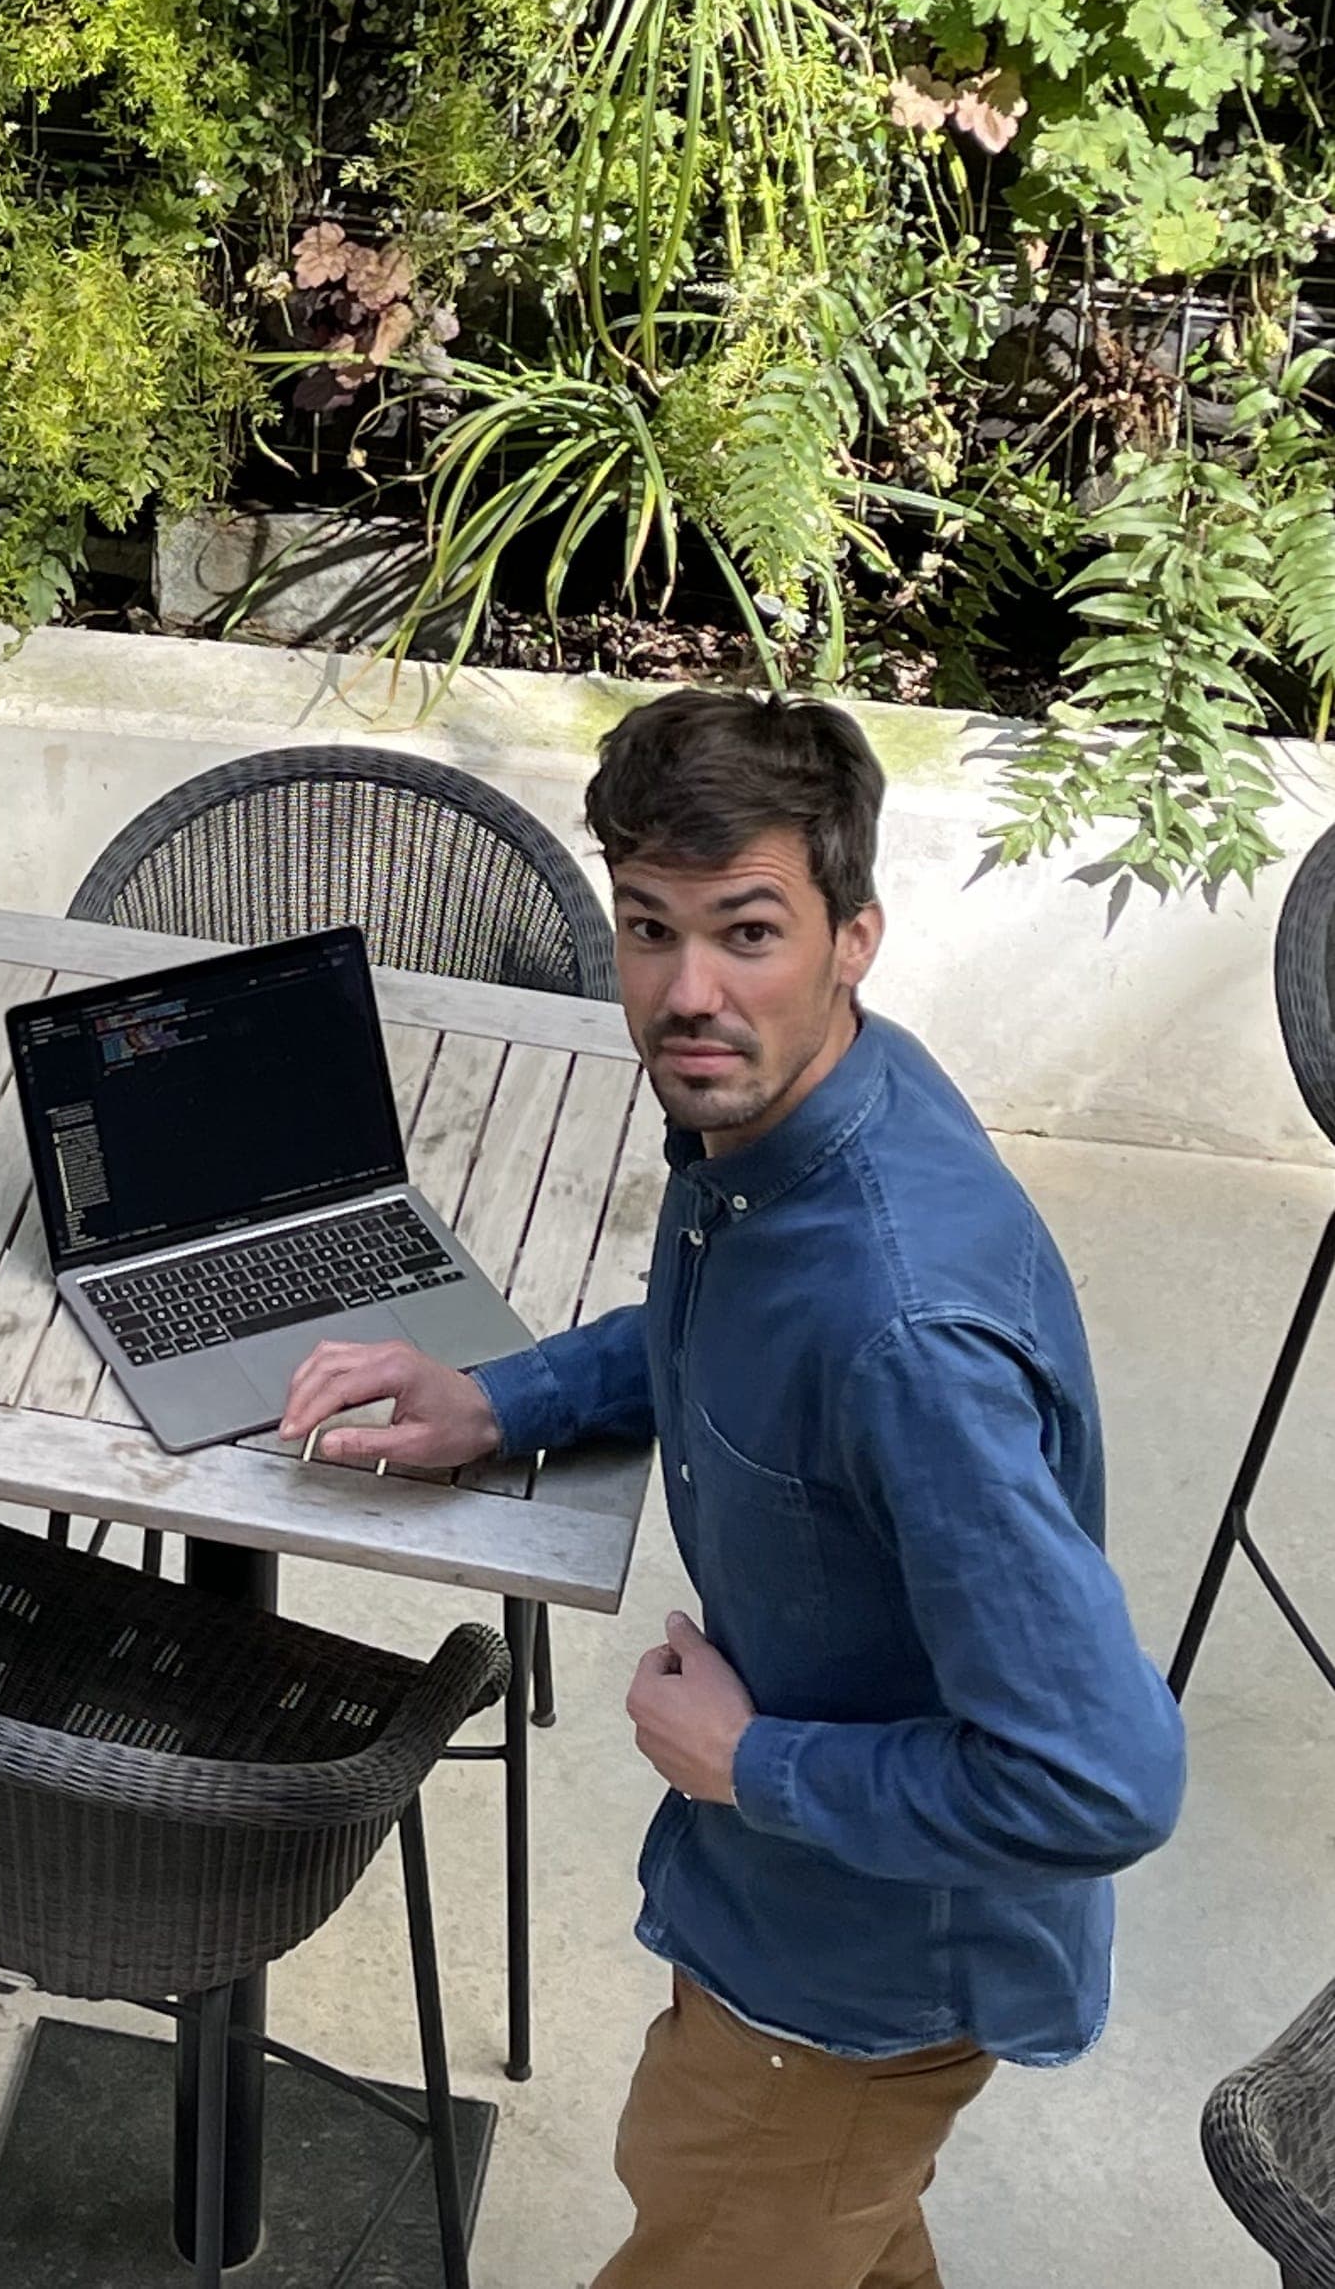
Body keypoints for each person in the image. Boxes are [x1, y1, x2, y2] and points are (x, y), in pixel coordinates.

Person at [280, 686, 1186, 2289]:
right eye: (649, 929)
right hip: (791, 1947)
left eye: (747, 931)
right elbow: (726, 1327)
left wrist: (755, 1765)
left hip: (840, 2000)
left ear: (855, 934)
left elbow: (1102, 1783)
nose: (686, 993)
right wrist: (501, 1396)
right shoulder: (797, 1112)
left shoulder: (907, 1337)